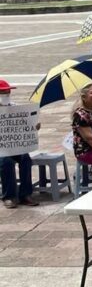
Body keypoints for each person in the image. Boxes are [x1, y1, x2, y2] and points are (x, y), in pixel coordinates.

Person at [0, 80, 39, 208]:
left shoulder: (15, 107)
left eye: (8, 91)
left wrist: (34, 126)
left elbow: (25, 125)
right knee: (6, 162)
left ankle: (25, 194)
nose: (6, 93)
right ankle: (8, 196)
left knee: (25, 158)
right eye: (3, 92)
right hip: (2, 150)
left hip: (14, 145)